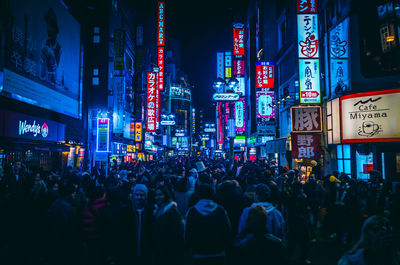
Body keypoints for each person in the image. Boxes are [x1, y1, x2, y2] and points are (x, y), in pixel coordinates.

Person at [185, 184, 232, 265]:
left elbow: (187, 232)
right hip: (218, 251)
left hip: (199, 251)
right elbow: (227, 230)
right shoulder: (220, 210)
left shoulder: (192, 212)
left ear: (198, 195)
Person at [153, 185, 184, 265]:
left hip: (170, 252)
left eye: (160, 195)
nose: (157, 197)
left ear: (165, 195)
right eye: (156, 195)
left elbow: (178, 232)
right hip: (160, 250)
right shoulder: (157, 210)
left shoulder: (172, 211)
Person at [131, 184, 153, 265]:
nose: (139, 197)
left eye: (141, 195)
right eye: (137, 195)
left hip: (146, 251)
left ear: (145, 196)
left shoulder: (151, 211)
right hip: (130, 251)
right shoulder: (126, 210)